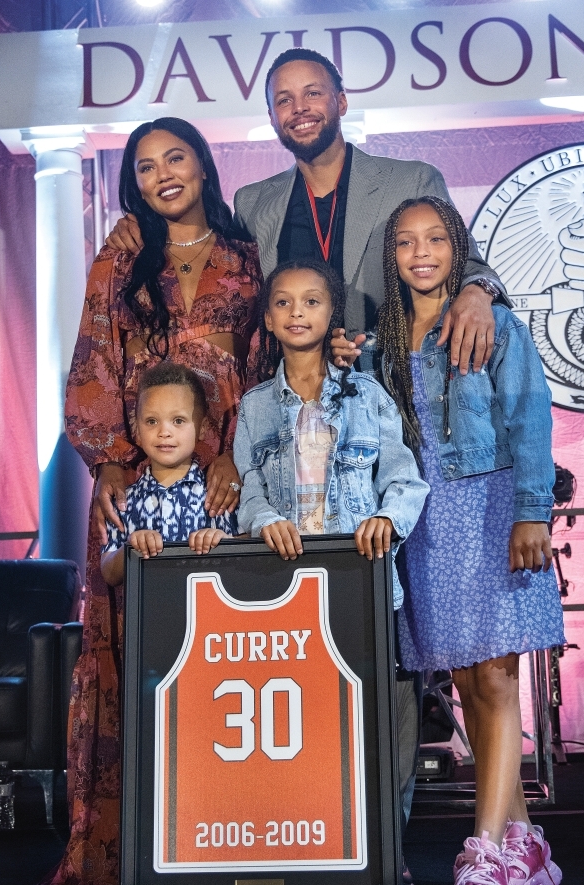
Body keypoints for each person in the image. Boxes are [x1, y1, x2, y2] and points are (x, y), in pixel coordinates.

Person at [52, 117, 261, 885]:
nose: (162, 174)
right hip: (134, 486)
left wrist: (240, 457)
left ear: (204, 165)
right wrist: (108, 464)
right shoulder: (123, 252)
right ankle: (131, 855)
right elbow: (93, 356)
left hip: (224, 489)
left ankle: (224, 841)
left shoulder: (246, 256)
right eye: (144, 166)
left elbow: (264, 364)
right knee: (130, 662)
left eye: (175, 157)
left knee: (224, 652)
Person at [194, 258, 430, 869]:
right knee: (308, 730)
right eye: (283, 303)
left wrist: (388, 520)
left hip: (363, 588)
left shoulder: (369, 396)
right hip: (287, 600)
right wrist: (262, 519)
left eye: (312, 301)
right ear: (268, 320)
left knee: (384, 729)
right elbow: (247, 487)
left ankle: (386, 856)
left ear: (332, 316)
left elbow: (405, 479)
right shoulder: (253, 408)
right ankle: (314, 853)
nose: (297, 312)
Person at [107, 48, 509, 378]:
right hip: (301, 411)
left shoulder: (411, 181)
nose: (299, 108)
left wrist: (478, 292)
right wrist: (143, 222)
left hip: (400, 395)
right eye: (284, 100)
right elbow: (206, 251)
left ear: (342, 101)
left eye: (312, 93)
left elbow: (471, 264)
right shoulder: (253, 204)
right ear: (271, 117)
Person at [378, 196, 565, 885]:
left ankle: (484, 846)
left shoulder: (496, 324)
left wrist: (531, 511)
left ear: (459, 249)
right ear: (391, 257)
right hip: (427, 524)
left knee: (496, 674)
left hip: (490, 511)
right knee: (466, 681)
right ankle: (526, 844)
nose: (421, 253)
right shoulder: (384, 345)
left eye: (435, 239)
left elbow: (528, 417)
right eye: (405, 242)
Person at [100, 363, 236, 588]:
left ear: (201, 429)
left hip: (208, 618)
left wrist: (225, 542)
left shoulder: (217, 494)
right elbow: (108, 571)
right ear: (137, 431)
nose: (164, 432)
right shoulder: (124, 501)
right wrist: (130, 549)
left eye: (178, 421)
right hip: (148, 619)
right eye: (152, 421)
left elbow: (249, 547)